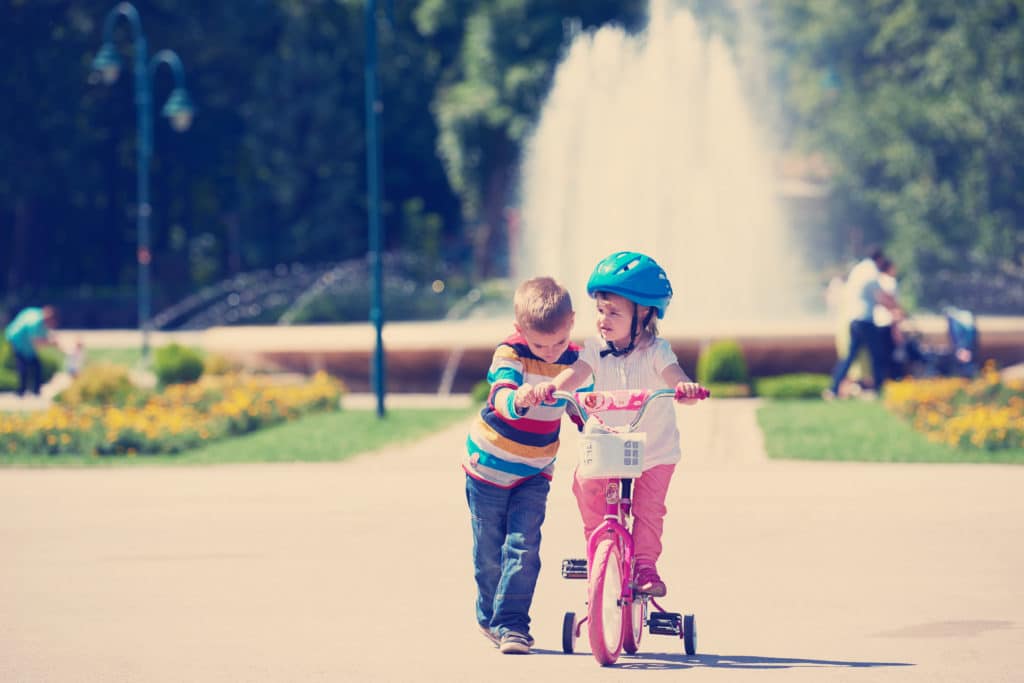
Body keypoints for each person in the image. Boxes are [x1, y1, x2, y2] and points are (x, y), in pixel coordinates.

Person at [535, 251, 706, 598]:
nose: (603, 319)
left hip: (654, 453)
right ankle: (598, 545)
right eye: (600, 310)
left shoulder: (658, 351)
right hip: (608, 445)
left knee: (648, 509)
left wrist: (684, 390)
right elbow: (576, 374)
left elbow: (676, 378)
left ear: (643, 314)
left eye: (614, 312)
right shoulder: (595, 349)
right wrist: (554, 387)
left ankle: (644, 565)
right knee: (585, 482)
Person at [463, 276, 582, 655]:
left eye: (559, 342)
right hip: (489, 469)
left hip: (534, 472)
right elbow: (501, 395)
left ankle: (514, 625)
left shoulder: (575, 360)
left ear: (572, 323)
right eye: (539, 345)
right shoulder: (510, 354)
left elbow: (582, 402)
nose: (550, 353)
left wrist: (594, 419)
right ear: (520, 331)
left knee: (523, 547)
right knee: (489, 552)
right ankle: (489, 615)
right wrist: (519, 399)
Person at [826, 247, 902, 399]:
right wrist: (897, 309)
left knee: (850, 356)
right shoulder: (871, 271)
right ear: (879, 259)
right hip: (865, 319)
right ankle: (877, 388)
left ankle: (833, 389)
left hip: (854, 319)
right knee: (877, 353)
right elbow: (881, 296)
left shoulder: (858, 269)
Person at [4, 305, 59, 397]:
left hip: (27, 343)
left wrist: (51, 340)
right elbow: (36, 342)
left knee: (36, 365)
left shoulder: (39, 316)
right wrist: (51, 343)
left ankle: (34, 390)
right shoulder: (34, 322)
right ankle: (22, 391)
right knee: (23, 366)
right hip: (18, 341)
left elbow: (42, 334)